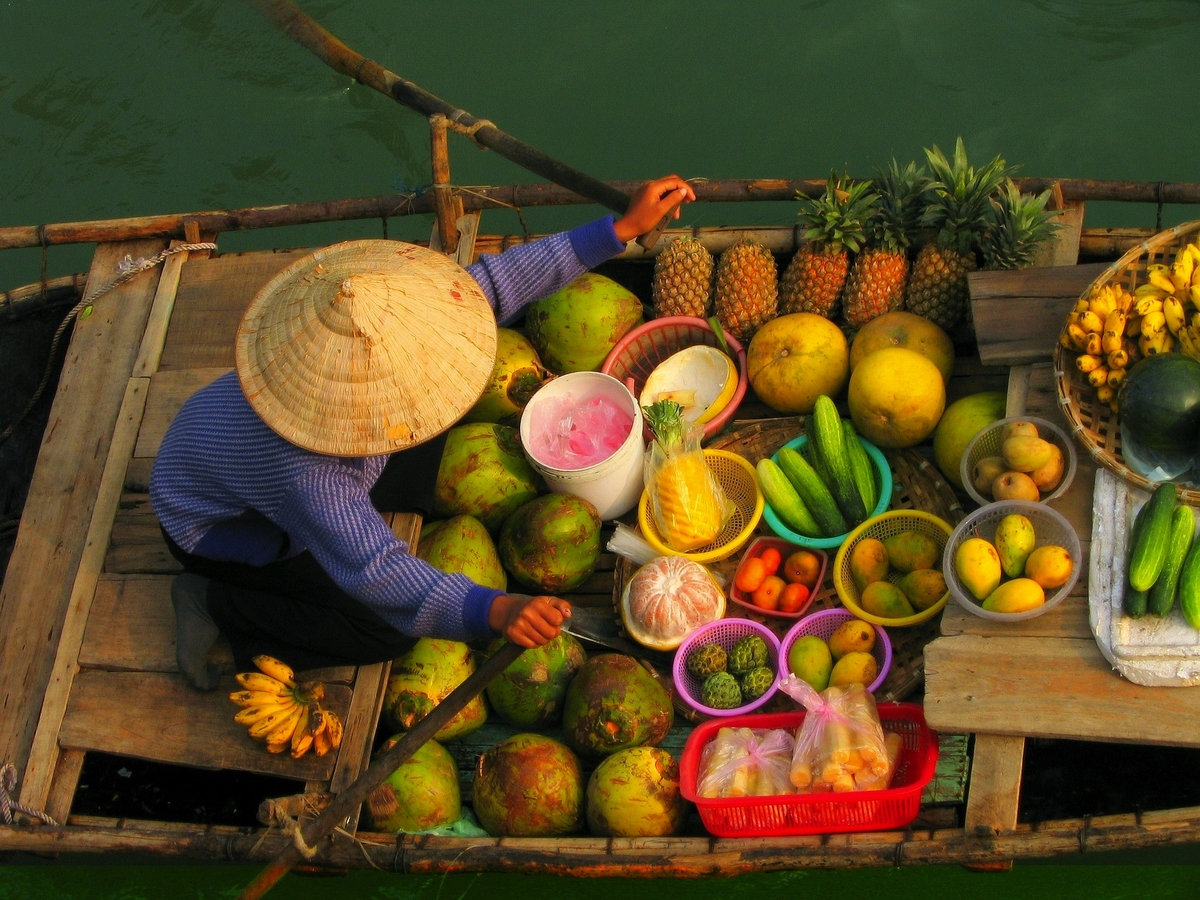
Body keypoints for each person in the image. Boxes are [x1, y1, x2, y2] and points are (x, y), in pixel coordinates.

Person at [150, 175, 696, 690]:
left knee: (443, 419)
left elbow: (498, 283)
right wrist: (493, 609)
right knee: (386, 630)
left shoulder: (370, 335)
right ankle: (214, 602)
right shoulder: (309, 477)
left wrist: (618, 229)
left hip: (250, 457)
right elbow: (374, 569)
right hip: (230, 529)